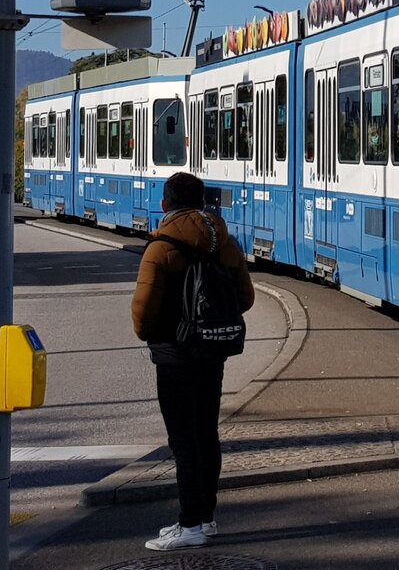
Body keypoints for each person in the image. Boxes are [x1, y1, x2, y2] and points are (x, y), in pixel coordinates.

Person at [132, 172, 255, 551]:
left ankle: (189, 526)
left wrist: (157, 333)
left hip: (174, 354)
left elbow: (143, 314)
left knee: (182, 441)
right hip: (212, 351)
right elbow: (246, 298)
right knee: (206, 433)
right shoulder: (223, 242)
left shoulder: (160, 247)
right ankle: (205, 518)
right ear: (203, 203)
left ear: (164, 205)